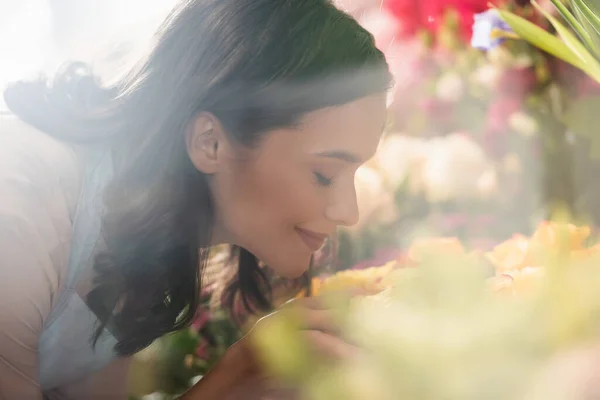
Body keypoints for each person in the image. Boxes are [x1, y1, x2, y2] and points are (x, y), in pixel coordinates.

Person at [0, 0, 391, 398]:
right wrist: (235, 376)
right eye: (324, 175)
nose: (350, 212)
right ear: (211, 142)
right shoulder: (19, 202)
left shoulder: (149, 234)